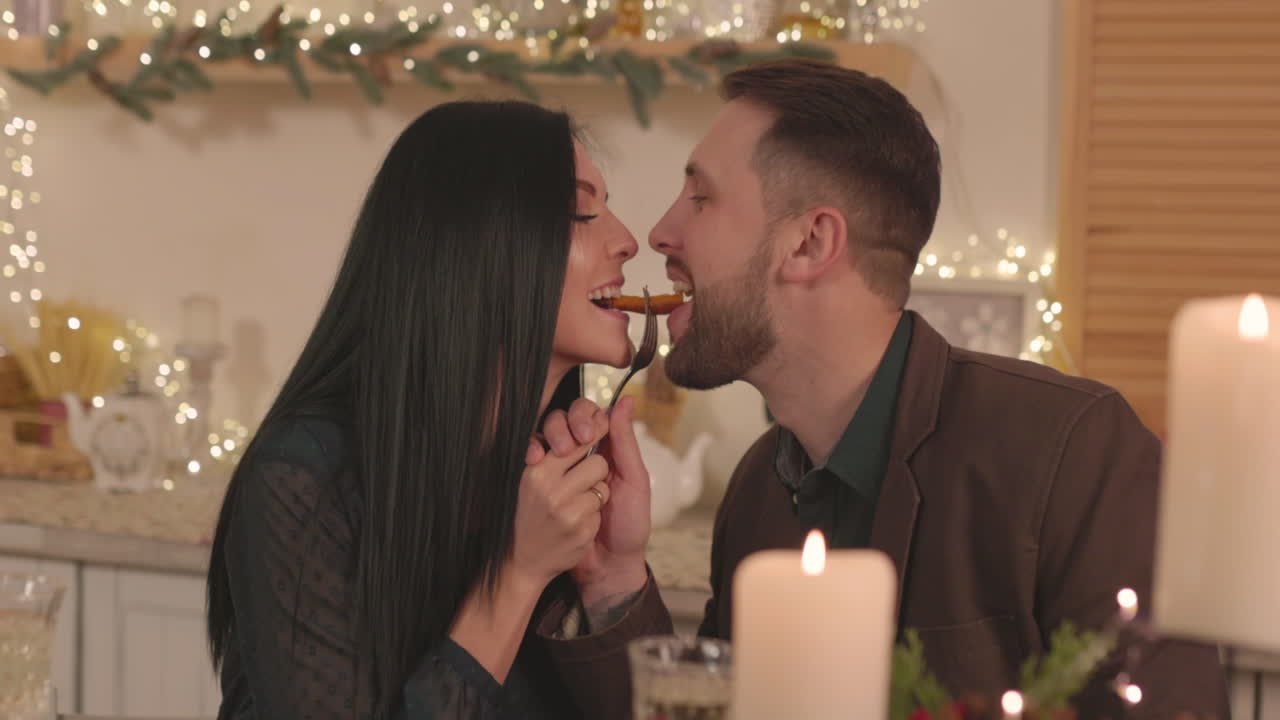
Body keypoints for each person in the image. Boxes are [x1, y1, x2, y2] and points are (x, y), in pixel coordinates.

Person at [536, 59, 1231, 719]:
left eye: (701, 197)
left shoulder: (1075, 454)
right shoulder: (758, 491)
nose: (659, 232)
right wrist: (615, 581)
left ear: (810, 244)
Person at [204, 100, 650, 719]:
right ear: (477, 247)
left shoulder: (548, 477)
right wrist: (516, 578)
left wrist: (614, 576)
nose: (626, 240)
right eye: (580, 211)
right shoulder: (304, 480)